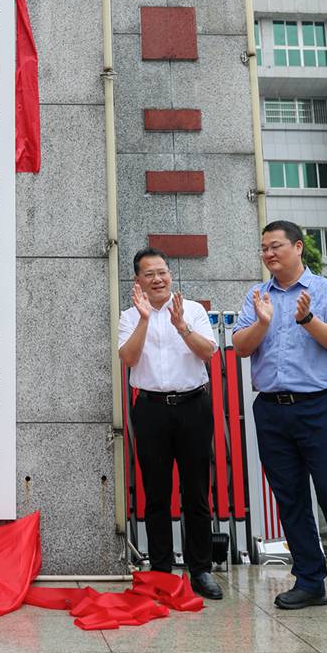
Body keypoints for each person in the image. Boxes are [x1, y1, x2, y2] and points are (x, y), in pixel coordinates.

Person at [233, 220, 327, 617]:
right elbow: (240, 348)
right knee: (292, 499)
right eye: (263, 247)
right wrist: (263, 322)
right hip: (272, 409)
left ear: (298, 247)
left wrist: (308, 320)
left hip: (321, 407)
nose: (268, 254)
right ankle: (310, 581)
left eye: (275, 246)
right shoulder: (258, 296)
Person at [118, 247, 223, 599]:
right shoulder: (130, 316)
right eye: (150, 274)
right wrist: (146, 319)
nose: (158, 278)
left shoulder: (192, 310)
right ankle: (161, 570)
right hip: (150, 410)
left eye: (162, 271)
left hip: (193, 406)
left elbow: (208, 352)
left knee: (196, 491)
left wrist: (182, 327)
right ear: (138, 281)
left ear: (170, 274)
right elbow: (128, 359)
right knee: (157, 492)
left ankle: (201, 569)